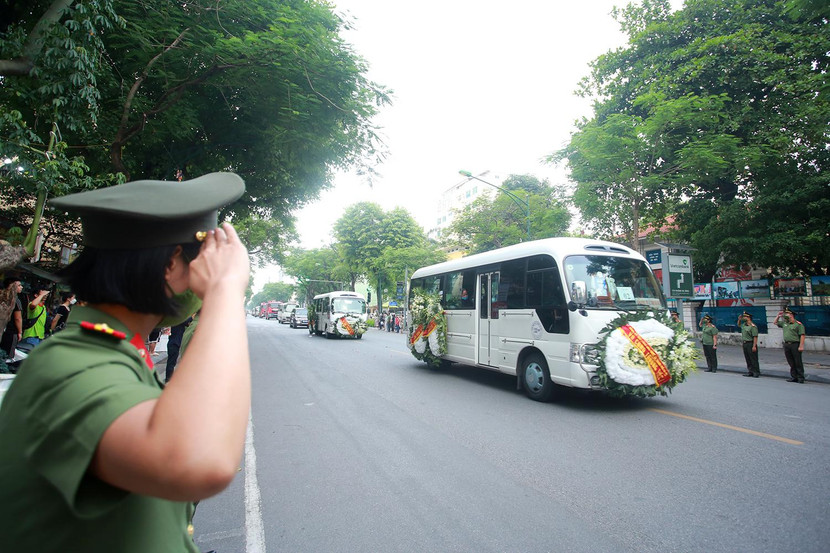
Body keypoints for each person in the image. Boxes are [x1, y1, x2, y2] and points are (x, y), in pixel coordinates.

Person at [0, 172, 250, 552]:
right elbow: (198, 460)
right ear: (170, 264)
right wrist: (225, 290)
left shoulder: (116, 353)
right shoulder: (70, 365)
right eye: (201, 263)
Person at [775, 307, 806, 383]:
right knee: (791, 361)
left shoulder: (798, 324)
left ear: (791, 315)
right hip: (787, 345)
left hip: (795, 344)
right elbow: (775, 323)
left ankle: (800, 377)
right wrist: (778, 316)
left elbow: (802, 335)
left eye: (787, 313)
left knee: (797, 361)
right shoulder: (785, 323)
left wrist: (801, 346)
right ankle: (794, 376)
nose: (785, 315)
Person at [165, 316, 193, 383]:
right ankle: (168, 379)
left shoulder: (175, 320)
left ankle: (169, 378)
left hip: (173, 342)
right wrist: (192, 316)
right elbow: (187, 321)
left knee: (171, 362)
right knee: (172, 362)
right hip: (175, 342)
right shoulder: (179, 319)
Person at [737, 311, 760, 378]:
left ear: (748, 318)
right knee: (748, 358)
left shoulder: (753, 326)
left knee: (753, 358)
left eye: (745, 317)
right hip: (745, 343)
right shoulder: (744, 325)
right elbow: (738, 325)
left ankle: (756, 372)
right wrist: (739, 319)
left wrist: (754, 346)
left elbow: (755, 337)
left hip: (751, 343)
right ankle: (750, 371)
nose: (743, 318)